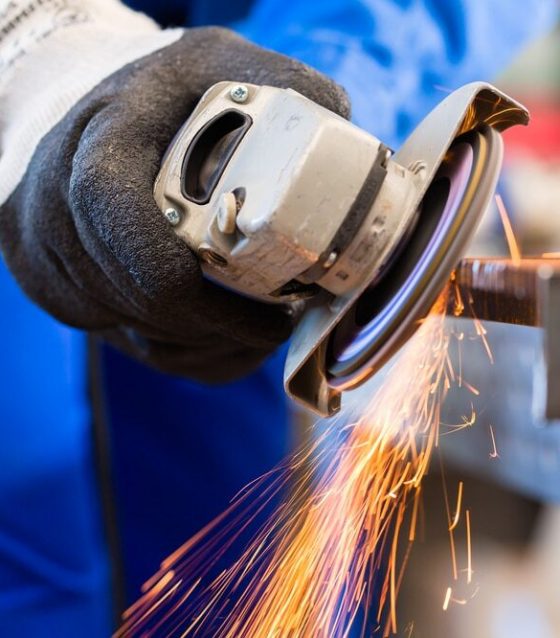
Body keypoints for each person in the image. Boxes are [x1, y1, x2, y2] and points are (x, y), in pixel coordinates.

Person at [0, 1, 556, 636]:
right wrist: (30, 48)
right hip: (41, 168)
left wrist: (301, 116)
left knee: (222, 576)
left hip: (221, 127)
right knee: (36, 544)